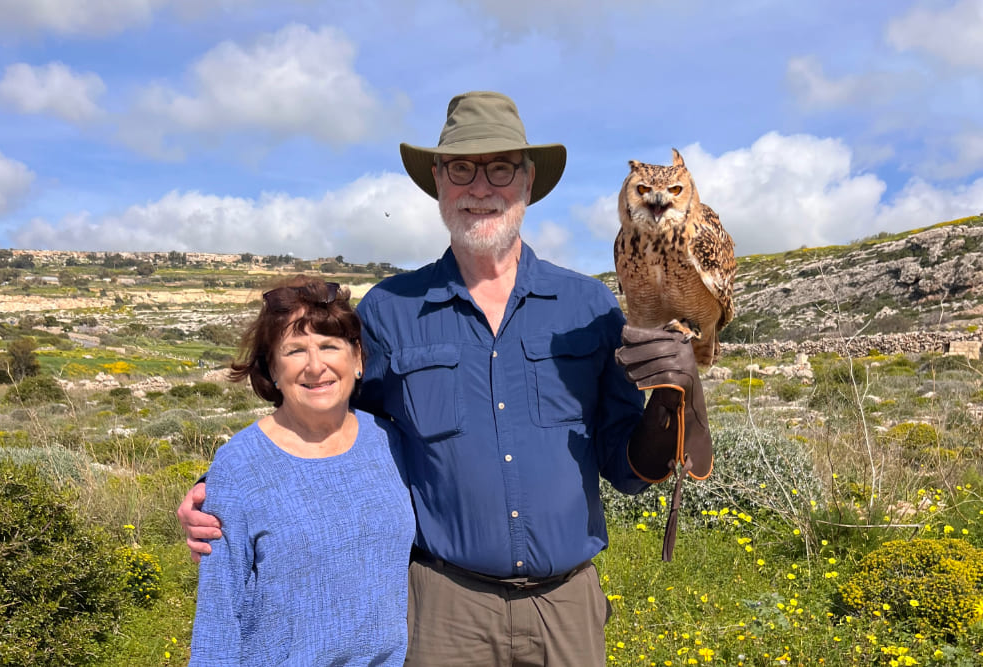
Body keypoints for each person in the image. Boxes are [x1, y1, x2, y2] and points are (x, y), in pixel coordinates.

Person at [180, 91, 707, 666]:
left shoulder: (590, 306)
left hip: (567, 608)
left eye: (501, 167)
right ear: (438, 181)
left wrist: (670, 403)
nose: (481, 187)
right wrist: (230, 489)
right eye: (462, 168)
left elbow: (626, 464)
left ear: (528, 181)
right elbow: (330, 423)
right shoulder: (390, 310)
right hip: (442, 610)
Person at [188, 276, 415, 666]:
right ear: (272, 368)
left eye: (330, 346)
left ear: (358, 358)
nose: (315, 366)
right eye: (294, 350)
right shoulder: (239, 466)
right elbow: (219, 614)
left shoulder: (389, 440)